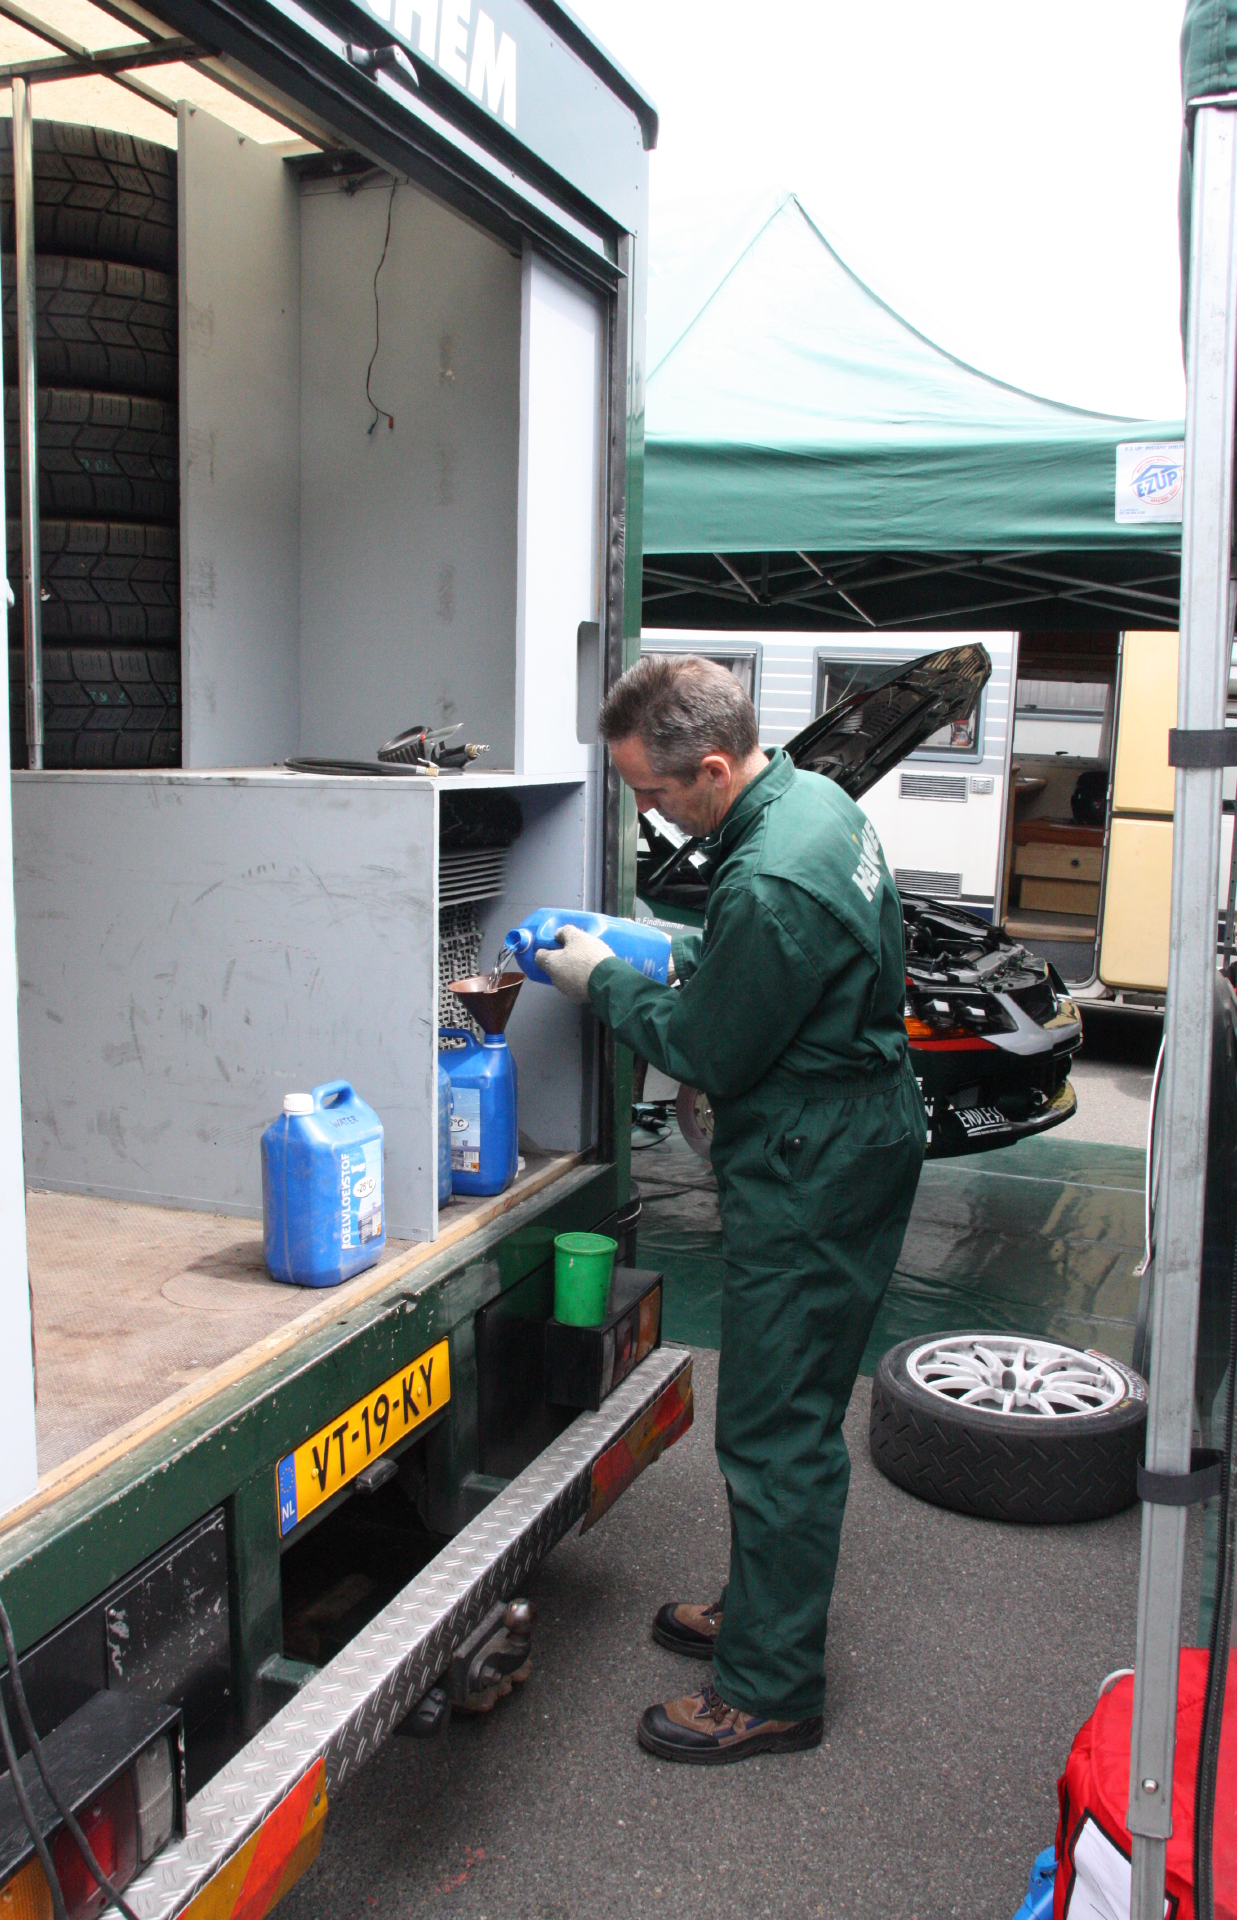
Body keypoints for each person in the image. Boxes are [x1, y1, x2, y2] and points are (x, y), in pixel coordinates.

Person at [536, 653, 926, 1766]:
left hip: (814, 1161)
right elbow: (771, 963)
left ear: (711, 767)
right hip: (854, 1129)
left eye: (654, 793)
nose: (649, 813)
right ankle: (761, 1614)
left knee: (775, 1429)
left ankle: (769, 1688)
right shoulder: (809, 802)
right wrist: (654, 941)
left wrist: (600, 980)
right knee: (791, 1408)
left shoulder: (769, 883)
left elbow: (707, 1046)